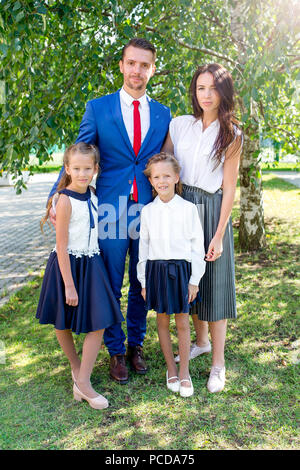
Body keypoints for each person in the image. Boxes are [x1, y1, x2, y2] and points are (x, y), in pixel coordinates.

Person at [48, 38, 172, 384]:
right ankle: (115, 350)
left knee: (142, 279)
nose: (137, 71)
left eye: (144, 65)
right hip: (110, 209)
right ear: (121, 65)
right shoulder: (98, 108)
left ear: (152, 69)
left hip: (149, 208)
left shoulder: (163, 114)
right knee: (111, 280)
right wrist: (56, 196)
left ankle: (136, 345)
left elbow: (167, 163)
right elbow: (77, 155)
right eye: (131, 63)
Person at [162, 63, 243, 393]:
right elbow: (164, 166)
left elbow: (230, 186)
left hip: (212, 208)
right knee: (190, 279)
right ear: (194, 92)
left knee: (215, 285)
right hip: (182, 207)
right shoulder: (180, 125)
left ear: (223, 92)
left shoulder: (232, 133)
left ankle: (218, 364)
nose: (206, 95)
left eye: (212, 88)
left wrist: (219, 233)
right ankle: (201, 342)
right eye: (200, 88)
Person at [36, 142, 124, 409]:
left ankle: (83, 380)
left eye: (88, 168)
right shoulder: (64, 199)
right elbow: (61, 245)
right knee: (61, 321)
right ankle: (77, 370)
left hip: (92, 263)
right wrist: (69, 285)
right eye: (77, 168)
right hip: (67, 265)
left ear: (96, 169)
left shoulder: (95, 194)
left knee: (99, 321)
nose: (83, 173)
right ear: (67, 169)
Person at [137, 153, 206, 397]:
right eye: (157, 176)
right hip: (156, 271)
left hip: (181, 271)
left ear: (176, 177)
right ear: (151, 181)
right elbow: (143, 248)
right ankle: (171, 369)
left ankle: (185, 371)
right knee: (162, 321)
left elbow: (198, 246)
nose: (162, 180)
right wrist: (144, 281)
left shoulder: (188, 209)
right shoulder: (147, 211)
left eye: (167, 175)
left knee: (183, 322)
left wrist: (194, 280)